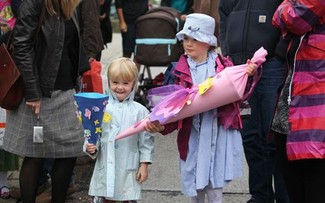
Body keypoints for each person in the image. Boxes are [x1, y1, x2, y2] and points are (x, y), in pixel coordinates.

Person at [146, 13, 256, 203]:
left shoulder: (222, 66)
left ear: (208, 42)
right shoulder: (178, 71)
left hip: (217, 134)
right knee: (194, 185)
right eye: (186, 38)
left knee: (215, 186)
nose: (188, 43)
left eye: (195, 39)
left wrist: (247, 75)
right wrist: (161, 125)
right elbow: (169, 108)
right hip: (193, 136)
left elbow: (239, 94)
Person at [2, 0, 89, 202]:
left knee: (70, 150)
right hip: (38, 92)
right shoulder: (35, 3)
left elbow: (70, 46)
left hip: (66, 90)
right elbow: (22, 45)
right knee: (35, 154)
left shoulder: (67, 5)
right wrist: (32, 92)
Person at [218, 1, 290, 202]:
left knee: (274, 136)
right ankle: (261, 196)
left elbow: (290, 17)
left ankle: (285, 197)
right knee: (250, 136)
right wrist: (228, 53)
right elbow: (224, 17)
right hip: (240, 70)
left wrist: (278, 53)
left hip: (272, 68)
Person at [271, 1, 325, 203]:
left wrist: (285, 5)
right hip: (291, 117)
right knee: (296, 192)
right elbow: (277, 19)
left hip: (315, 120)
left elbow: (295, 19)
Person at [85, 57, 158, 203]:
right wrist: (91, 147)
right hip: (105, 166)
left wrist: (144, 164)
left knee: (126, 196)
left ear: (133, 84)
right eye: (115, 82)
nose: (120, 87)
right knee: (105, 195)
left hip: (128, 167)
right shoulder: (101, 108)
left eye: (126, 83)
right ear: (109, 82)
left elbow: (145, 141)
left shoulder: (140, 111)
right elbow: (94, 133)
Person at [115, 0, 148, 68]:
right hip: (128, 22)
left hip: (143, 21)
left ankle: (134, 77)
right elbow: (118, 4)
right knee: (127, 53)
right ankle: (123, 74)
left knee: (138, 54)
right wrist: (122, 22)